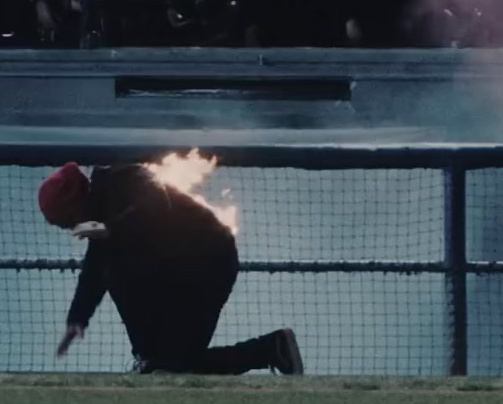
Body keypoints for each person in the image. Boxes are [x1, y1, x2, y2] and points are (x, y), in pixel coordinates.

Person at [37, 161, 303, 375]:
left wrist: (108, 231)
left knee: (172, 361)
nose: (73, 229)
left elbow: (155, 206)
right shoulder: (102, 223)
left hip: (208, 261)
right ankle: (272, 349)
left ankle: (152, 358)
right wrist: (77, 318)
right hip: (180, 268)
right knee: (172, 365)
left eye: (69, 221)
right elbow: (95, 267)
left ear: (76, 202)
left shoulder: (125, 176)